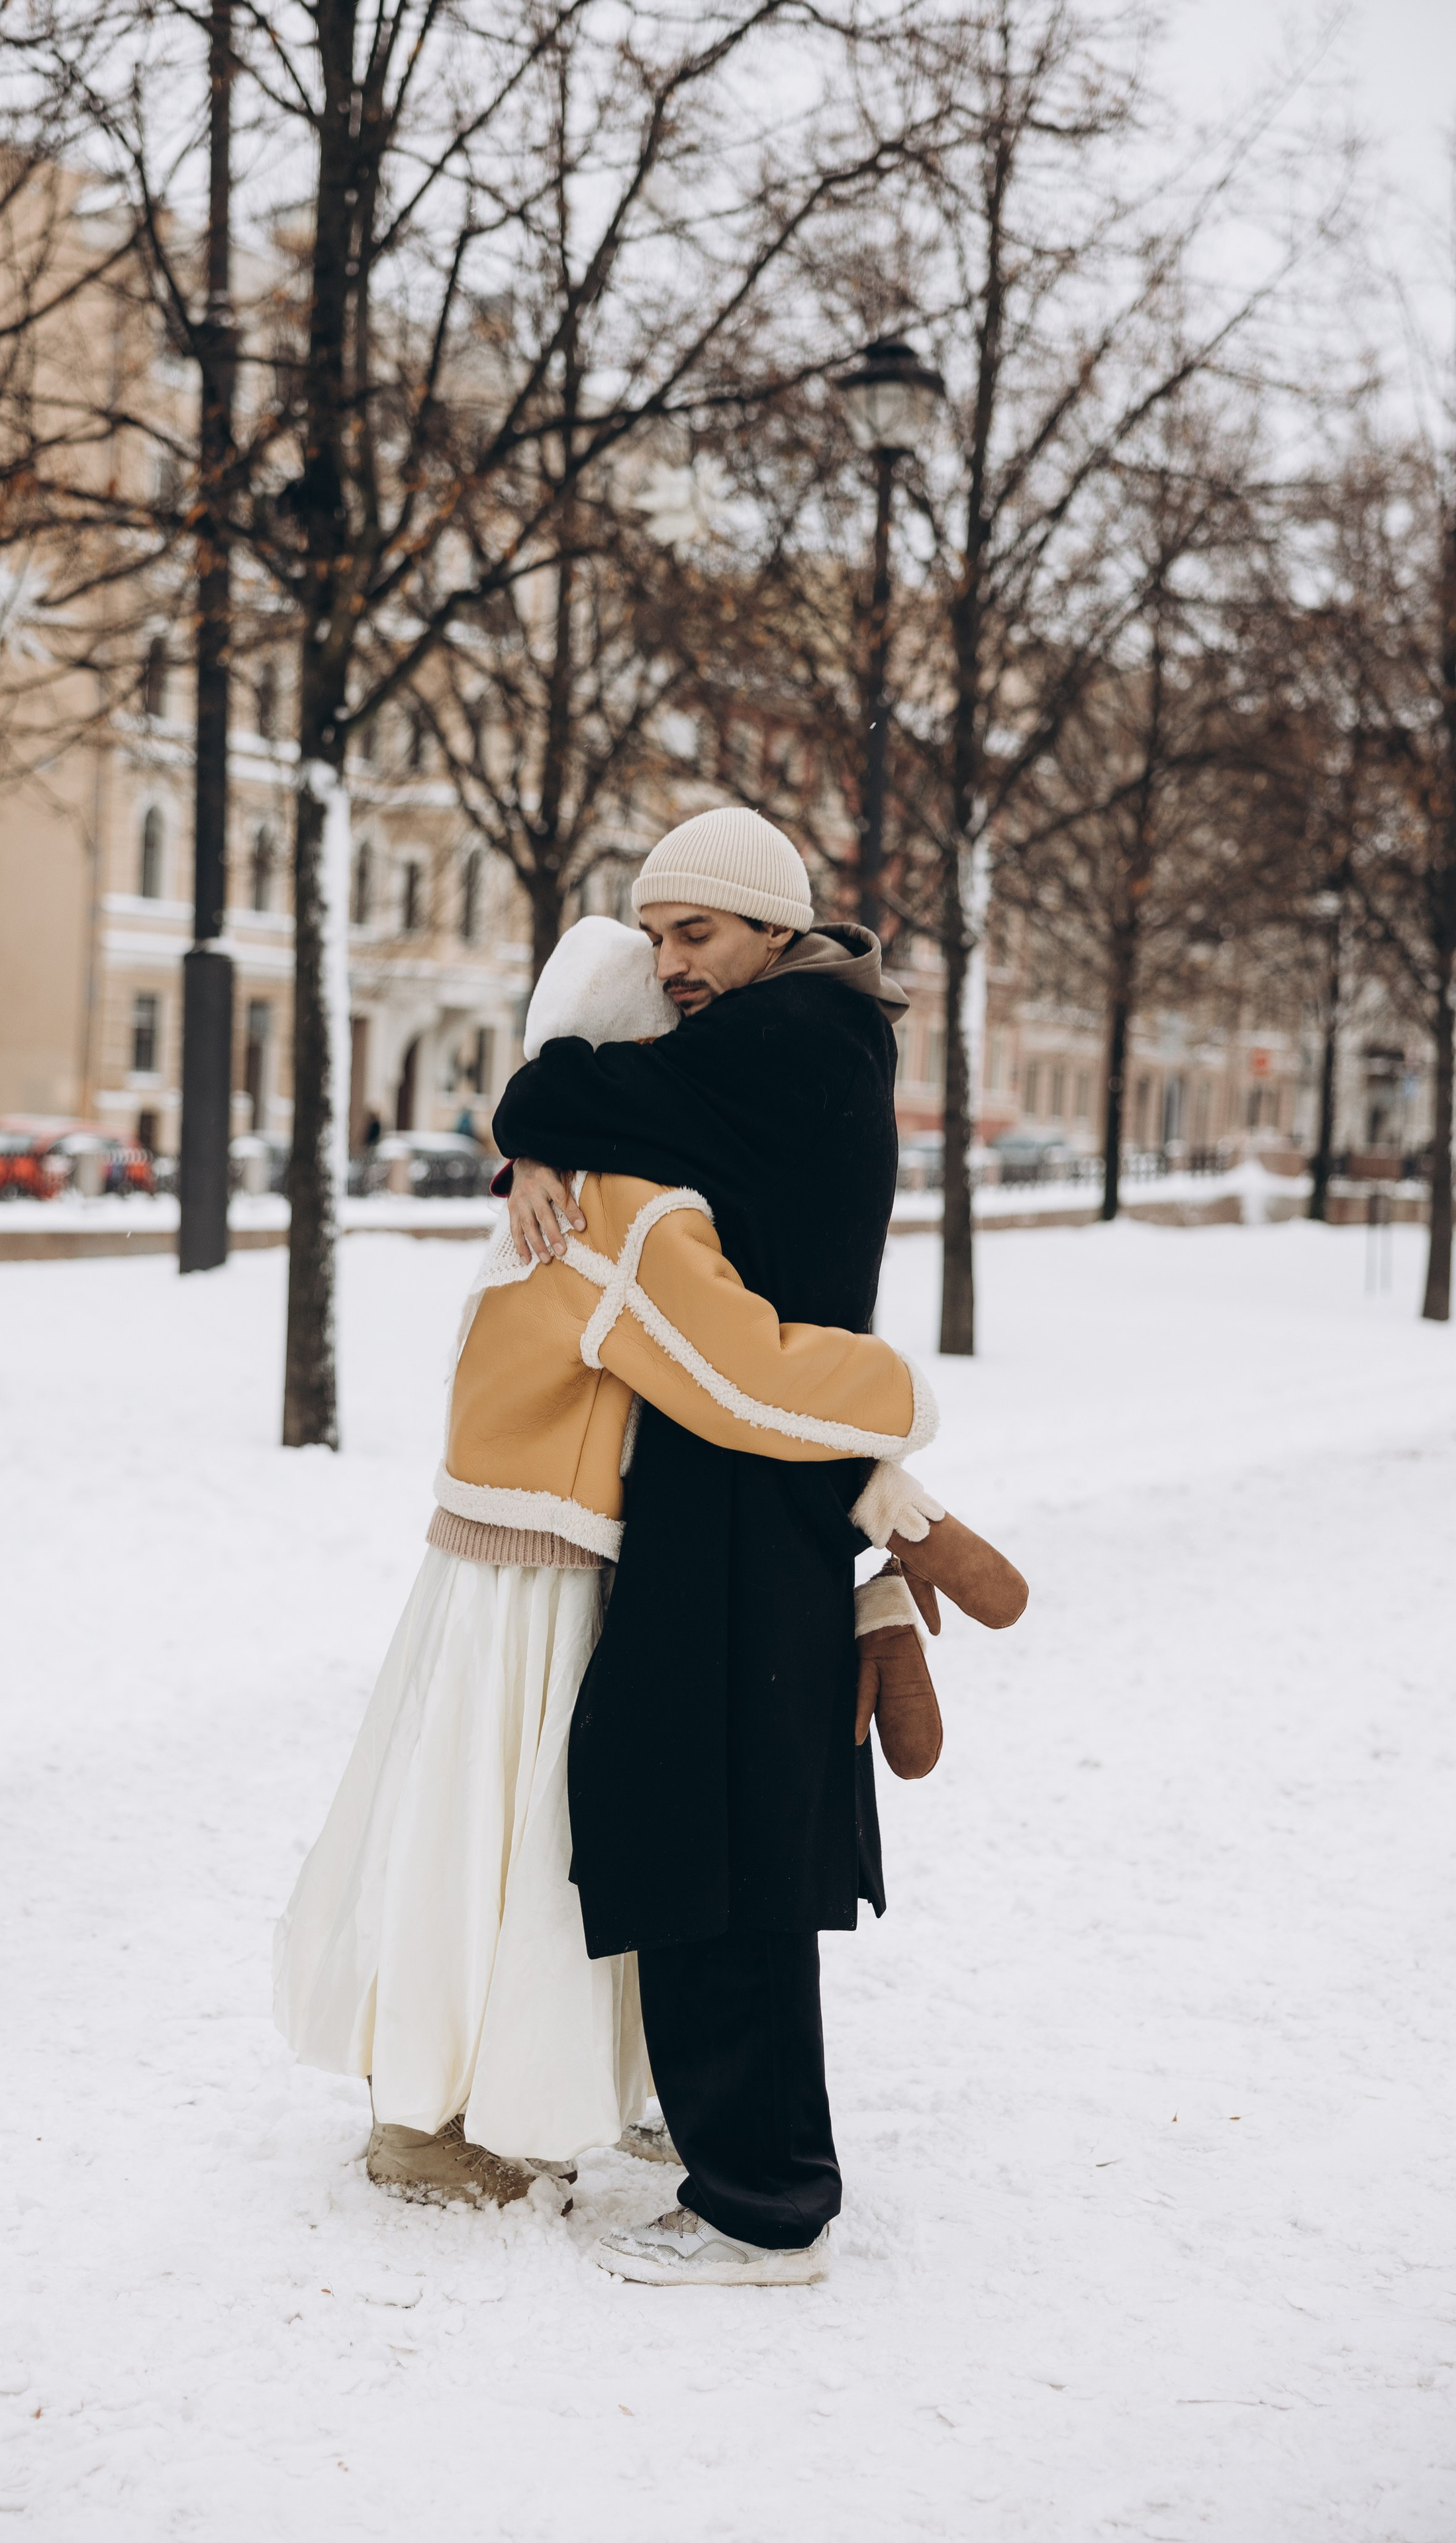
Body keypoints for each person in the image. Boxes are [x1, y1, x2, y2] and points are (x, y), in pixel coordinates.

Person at [275, 914, 1019, 2211]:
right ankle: (444, 2115)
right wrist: (900, 1403)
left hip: (490, 1558)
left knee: (470, 1839)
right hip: (547, 1572)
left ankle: (504, 2091)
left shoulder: (563, 1177)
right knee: (521, 1853)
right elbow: (739, 1376)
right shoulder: (627, 1205)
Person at [493, 805, 1017, 2286]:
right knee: (723, 1817)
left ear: (773, 931)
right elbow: (598, 1110)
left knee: (706, 1822)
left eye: (697, 932)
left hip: (742, 1479)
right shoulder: (813, 1034)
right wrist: (543, 1140)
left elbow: (561, 1082)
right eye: (656, 935)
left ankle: (762, 2204)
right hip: (753, 1475)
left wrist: (536, 1132)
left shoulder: (788, 1039)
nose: (671, 963)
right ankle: (731, 2143)